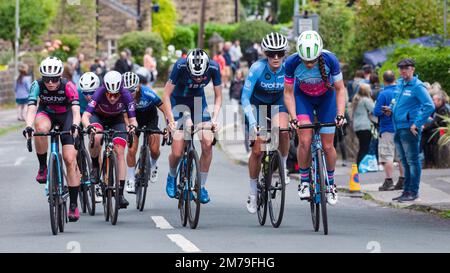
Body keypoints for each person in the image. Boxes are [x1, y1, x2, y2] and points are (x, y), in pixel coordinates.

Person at [284, 30, 347, 206]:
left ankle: (331, 184)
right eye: (306, 60)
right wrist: (293, 117)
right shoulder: (291, 62)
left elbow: (340, 89)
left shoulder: (330, 59)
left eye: (312, 60)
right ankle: (304, 181)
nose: (309, 64)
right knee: (304, 140)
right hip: (303, 99)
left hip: (326, 100)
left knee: (328, 145)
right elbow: (288, 93)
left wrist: (340, 114)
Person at [23, 56, 82, 221]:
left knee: (70, 159)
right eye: (47, 79)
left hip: (66, 116)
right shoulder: (37, 85)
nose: (50, 83)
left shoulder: (68, 86)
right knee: (40, 129)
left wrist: (76, 126)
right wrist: (28, 125)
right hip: (46, 114)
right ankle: (43, 167)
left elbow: (76, 111)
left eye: (54, 79)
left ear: (60, 77)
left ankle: (73, 205)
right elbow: (32, 107)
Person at [163, 49, 222, 204]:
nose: (198, 79)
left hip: (198, 103)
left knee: (208, 143)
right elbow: (166, 95)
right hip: (178, 103)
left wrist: (214, 119)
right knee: (176, 152)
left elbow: (219, 96)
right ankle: (172, 176)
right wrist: (171, 120)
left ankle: (201, 186)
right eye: (195, 75)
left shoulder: (214, 67)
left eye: (201, 76)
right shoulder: (180, 66)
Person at [241, 32, 291, 214]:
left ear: (284, 53)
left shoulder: (288, 68)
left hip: (278, 104)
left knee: (284, 131)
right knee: (257, 150)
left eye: (279, 53)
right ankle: (253, 193)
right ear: (265, 54)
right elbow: (244, 98)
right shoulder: (257, 68)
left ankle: (283, 165)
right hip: (257, 106)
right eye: (271, 54)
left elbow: (295, 94)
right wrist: (253, 122)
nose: (275, 57)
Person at [82, 70, 138, 209]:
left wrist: (132, 127)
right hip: (98, 117)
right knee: (97, 136)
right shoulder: (99, 92)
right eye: (109, 94)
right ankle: (95, 166)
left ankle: (119, 194)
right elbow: (85, 116)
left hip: (117, 119)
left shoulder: (126, 94)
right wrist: (89, 127)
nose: (112, 98)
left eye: (115, 95)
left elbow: (132, 120)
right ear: (105, 89)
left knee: (119, 152)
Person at [386, 58, 434, 202]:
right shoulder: (400, 84)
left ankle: (413, 192)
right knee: (405, 162)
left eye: (406, 68)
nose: (403, 71)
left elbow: (429, 106)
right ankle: (406, 191)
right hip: (398, 127)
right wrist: (391, 109)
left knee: (413, 161)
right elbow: (396, 101)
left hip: (409, 129)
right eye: (401, 69)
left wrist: (417, 123)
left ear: (412, 69)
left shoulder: (417, 86)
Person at [124, 70, 170, 193]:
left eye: (132, 91)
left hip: (150, 118)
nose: (130, 94)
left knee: (154, 150)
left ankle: (153, 165)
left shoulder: (148, 93)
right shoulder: (123, 96)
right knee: (131, 150)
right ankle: (130, 178)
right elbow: (124, 115)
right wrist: (128, 127)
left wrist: (168, 125)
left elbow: (164, 108)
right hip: (133, 118)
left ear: (138, 87)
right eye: (127, 91)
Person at [373, 70, 405, 191]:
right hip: (400, 127)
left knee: (387, 156)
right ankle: (403, 180)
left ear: (384, 80)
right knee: (401, 156)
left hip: (387, 128)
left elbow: (376, 112)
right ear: (394, 78)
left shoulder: (383, 94)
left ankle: (389, 181)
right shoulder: (400, 91)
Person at [77, 72, 103, 203]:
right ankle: (80, 173)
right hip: (79, 116)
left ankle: (97, 182)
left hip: (92, 117)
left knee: (96, 143)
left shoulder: (101, 94)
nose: (87, 96)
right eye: (84, 93)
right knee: (75, 145)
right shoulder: (76, 93)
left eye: (91, 93)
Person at [422, 92, 450, 168]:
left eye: (434, 100)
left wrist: (424, 128)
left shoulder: (443, 110)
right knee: (425, 137)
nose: (432, 101)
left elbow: (436, 123)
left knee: (426, 138)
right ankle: (428, 162)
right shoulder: (437, 109)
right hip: (435, 131)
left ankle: (430, 162)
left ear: (440, 101)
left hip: (440, 133)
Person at [351, 83, 374, 166]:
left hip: (357, 126)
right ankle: (361, 165)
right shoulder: (365, 100)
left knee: (362, 146)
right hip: (365, 126)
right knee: (365, 147)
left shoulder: (356, 99)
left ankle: (359, 164)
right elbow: (374, 109)